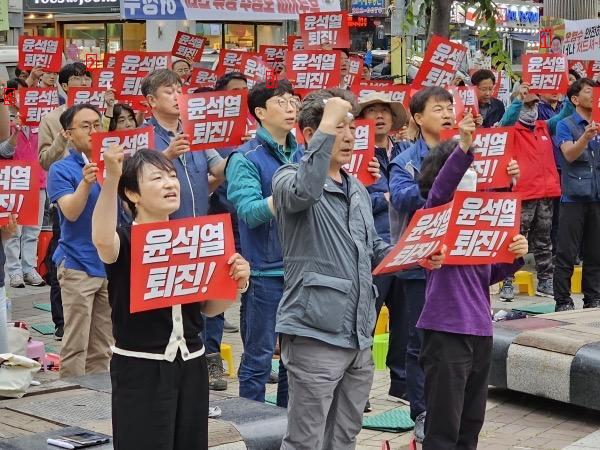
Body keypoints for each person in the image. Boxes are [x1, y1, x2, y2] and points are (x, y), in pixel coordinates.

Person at [272, 89, 443, 450]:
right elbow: (305, 189)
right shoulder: (288, 179)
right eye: (339, 128)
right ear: (309, 134)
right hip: (315, 331)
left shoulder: (356, 188)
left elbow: (373, 249)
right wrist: (328, 122)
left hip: (358, 335)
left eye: (352, 128)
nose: (350, 137)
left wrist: (416, 253)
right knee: (306, 439)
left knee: (345, 435)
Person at [92, 145, 250, 450]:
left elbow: (208, 308)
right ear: (133, 194)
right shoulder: (124, 239)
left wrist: (236, 284)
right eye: (156, 178)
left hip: (191, 363)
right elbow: (101, 237)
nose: (170, 184)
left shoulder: (193, 238)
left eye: (172, 176)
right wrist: (111, 178)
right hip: (141, 367)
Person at [416, 113, 527, 450]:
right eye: (467, 167)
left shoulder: (477, 224)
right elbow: (441, 190)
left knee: (471, 423)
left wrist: (514, 256)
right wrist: (463, 146)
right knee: (443, 424)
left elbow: (487, 274)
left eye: (476, 168)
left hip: (480, 331)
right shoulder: (434, 216)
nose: (473, 174)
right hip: (446, 330)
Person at [225, 80, 301, 407]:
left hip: (300, 271)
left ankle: (288, 429)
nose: (290, 108)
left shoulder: (303, 153)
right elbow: (249, 211)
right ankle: (252, 428)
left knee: (294, 361)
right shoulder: (245, 158)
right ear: (259, 112)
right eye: (281, 102)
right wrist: (284, 195)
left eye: (292, 101)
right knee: (258, 359)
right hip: (263, 274)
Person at [388, 86, 455, 441]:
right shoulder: (405, 160)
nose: (447, 114)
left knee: (451, 341)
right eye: (438, 108)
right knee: (419, 342)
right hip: (418, 264)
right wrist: (441, 180)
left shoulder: (467, 153)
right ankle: (422, 412)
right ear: (417, 118)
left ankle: (449, 407)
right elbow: (401, 198)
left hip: (458, 262)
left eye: (449, 107)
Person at [46, 103, 113, 377]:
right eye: (85, 126)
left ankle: (96, 397)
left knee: (103, 343)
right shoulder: (61, 169)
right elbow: (71, 213)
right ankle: (68, 399)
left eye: (97, 125)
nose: (93, 131)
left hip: (108, 262)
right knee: (76, 342)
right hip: (76, 264)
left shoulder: (113, 165)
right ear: (68, 133)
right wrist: (86, 182)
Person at [356, 92, 410, 403]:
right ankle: (358, 392)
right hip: (371, 247)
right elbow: (352, 198)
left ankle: (401, 384)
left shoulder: (405, 151)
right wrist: (385, 198)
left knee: (404, 320)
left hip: (404, 244)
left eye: (384, 111)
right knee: (366, 319)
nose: (379, 115)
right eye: (371, 111)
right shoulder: (355, 154)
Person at [203, 72, 248, 392]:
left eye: (246, 92)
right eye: (235, 92)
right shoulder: (204, 135)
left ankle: (253, 361)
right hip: (214, 221)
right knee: (215, 289)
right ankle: (210, 357)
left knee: (252, 291)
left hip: (246, 220)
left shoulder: (254, 131)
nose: (241, 97)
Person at [38, 63, 89, 340]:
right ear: (65, 86)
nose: (83, 82)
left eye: (86, 77)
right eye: (77, 79)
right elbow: (44, 160)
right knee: (63, 253)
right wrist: (62, 138)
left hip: (99, 195)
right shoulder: (51, 119)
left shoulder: (100, 115)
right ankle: (61, 320)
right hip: (65, 196)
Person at [553, 78, 600, 311]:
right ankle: (563, 300)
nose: (594, 96)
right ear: (575, 99)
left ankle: (593, 298)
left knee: (595, 252)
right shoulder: (566, 124)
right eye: (589, 92)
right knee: (566, 252)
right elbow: (569, 155)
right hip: (573, 197)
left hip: (597, 197)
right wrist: (586, 136)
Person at [2, 79, 47, 289]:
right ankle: (14, 271)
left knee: (33, 230)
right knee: (13, 230)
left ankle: (29, 268)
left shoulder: (41, 123)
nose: (23, 99)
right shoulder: (6, 122)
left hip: (37, 182)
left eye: (26, 94)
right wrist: (15, 133)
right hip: (14, 182)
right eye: (18, 94)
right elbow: (5, 152)